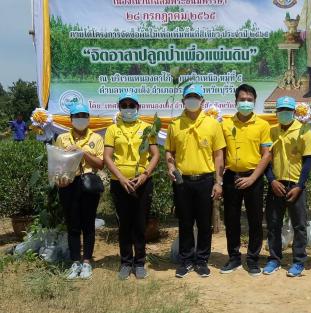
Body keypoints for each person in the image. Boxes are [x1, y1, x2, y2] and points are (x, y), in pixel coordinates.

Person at [165, 84, 226, 278]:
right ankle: (186, 261)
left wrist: (218, 182)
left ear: (202, 101)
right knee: (184, 222)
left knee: (204, 223)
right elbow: (169, 151)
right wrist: (171, 168)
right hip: (183, 181)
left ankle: (201, 261)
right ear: (183, 101)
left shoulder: (212, 124)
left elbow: (218, 155)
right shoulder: (175, 124)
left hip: (205, 180)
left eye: (195, 97)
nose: (192, 100)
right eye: (188, 97)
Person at [104, 92, 160, 280]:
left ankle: (140, 262)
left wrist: (145, 175)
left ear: (138, 107)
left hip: (142, 183)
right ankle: (126, 262)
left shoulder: (146, 128)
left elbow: (155, 155)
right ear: (119, 108)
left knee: (140, 223)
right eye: (124, 105)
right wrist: (120, 178)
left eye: (131, 105)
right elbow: (107, 157)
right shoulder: (113, 129)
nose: (128, 108)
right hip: (120, 183)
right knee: (124, 224)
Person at [220, 84, 272, 276]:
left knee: (255, 220)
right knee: (231, 219)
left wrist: (252, 178)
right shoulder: (225, 124)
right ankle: (234, 257)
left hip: (254, 177)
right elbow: (221, 153)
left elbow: (266, 155)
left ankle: (252, 259)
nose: (245, 103)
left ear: (255, 101)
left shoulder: (263, 125)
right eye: (242, 99)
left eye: (249, 100)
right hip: (231, 176)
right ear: (235, 101)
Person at [263, 96, 311, 277]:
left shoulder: (304, 131)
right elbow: (266, 159)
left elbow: (308, 161)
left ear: (293, 112)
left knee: (299, 225)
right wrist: (271, 180)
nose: (284, 113)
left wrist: (300, 185)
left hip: (295, 186)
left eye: (288, 110)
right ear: (276, 112)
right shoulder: (271, 131)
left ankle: (299, 261)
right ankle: (274, 259)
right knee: (274, 223)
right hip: (276, 184)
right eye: (281, 110)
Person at [55, 104, 104, 280]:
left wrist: (82, 152)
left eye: (84, 115)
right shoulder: (62, 138)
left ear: (89, 118)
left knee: (88, 225)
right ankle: (75, 261)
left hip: (89, 183)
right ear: (71, 119)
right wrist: (58, 178)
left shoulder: (96, 138)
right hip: (68, 183)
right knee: (73, 225)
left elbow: (100, 164)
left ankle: (87, 262)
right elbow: (57, 162)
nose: (80, 119)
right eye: (77, 115)